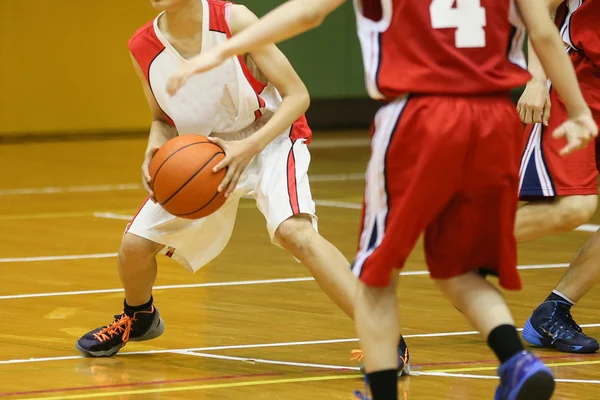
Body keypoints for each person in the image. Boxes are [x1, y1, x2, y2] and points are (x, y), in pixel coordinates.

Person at [166, 0, 598, 399]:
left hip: (422, 115)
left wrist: (224, 49)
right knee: (459, 268)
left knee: (375, 276)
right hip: (493, 120)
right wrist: (578, 111)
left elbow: (309, 12)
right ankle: (517, 362)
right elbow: (543, 33)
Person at [75, 0, 410, 374]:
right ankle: (139, 316)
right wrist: (154, 147)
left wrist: (249, 146)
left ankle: (384, 335)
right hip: (205, 153)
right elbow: (161, 118)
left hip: (270, 137)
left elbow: (298, 96)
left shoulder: (232, 19)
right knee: (133, 248)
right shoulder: (143, 46)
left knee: (295, 234)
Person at [515, 0, 600, 354]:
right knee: (569, 206)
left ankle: (553, 311)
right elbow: (542, 8)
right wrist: (537, 77)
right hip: (580, 81)